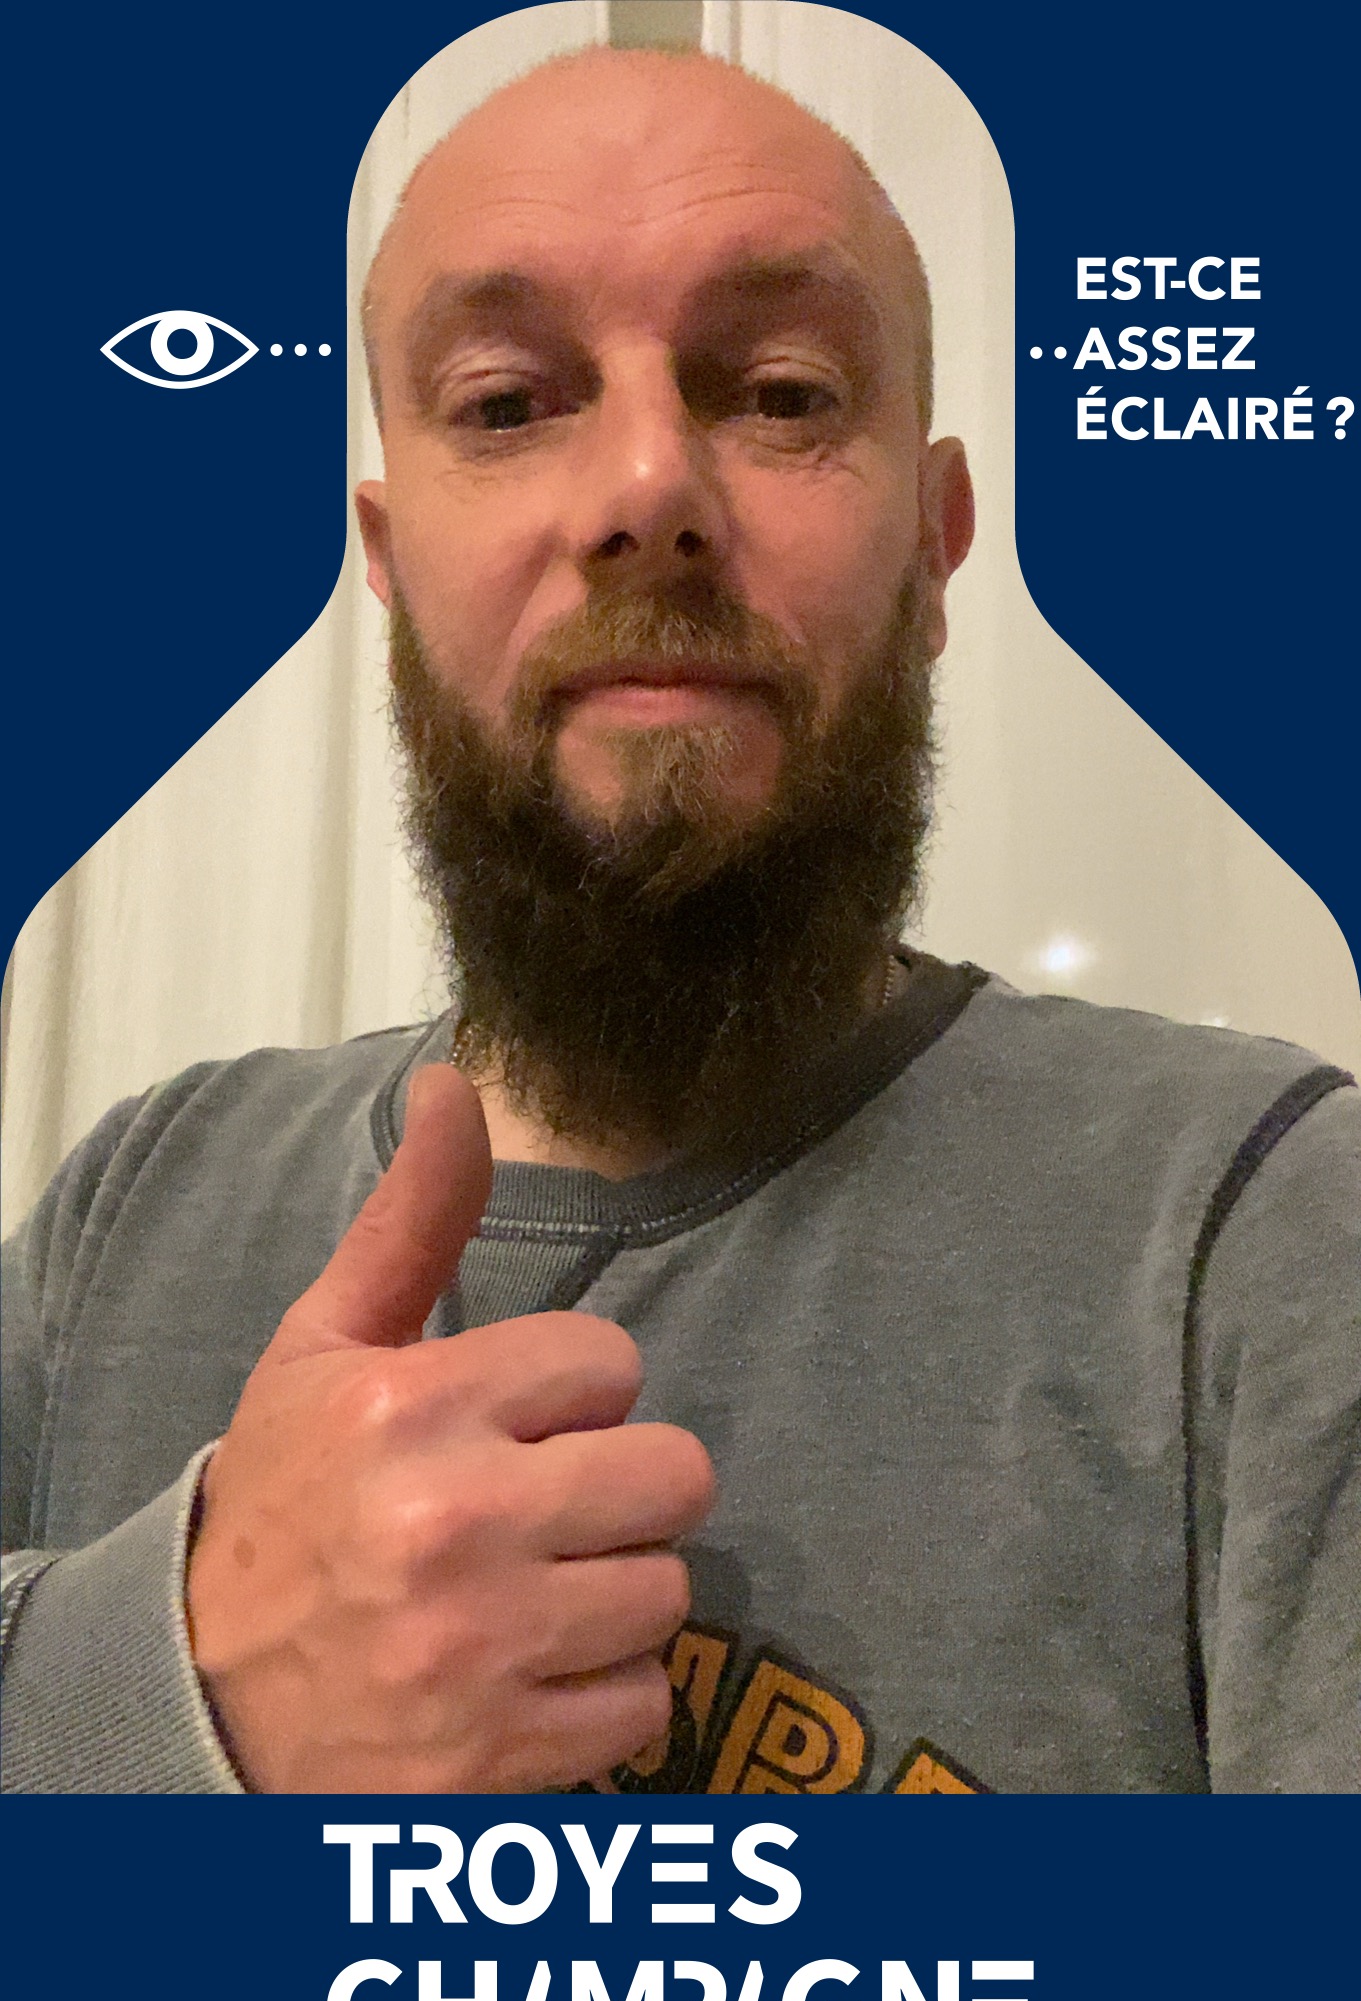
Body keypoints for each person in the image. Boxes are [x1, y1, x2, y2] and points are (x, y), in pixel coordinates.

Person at [2, 46, 1357, 1796]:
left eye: (783, 393)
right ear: (389, 562)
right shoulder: (130, 1204)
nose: (648, 485)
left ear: (935, 545)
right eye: (505, 403)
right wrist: (163, 1683)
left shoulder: (1264, 1230)